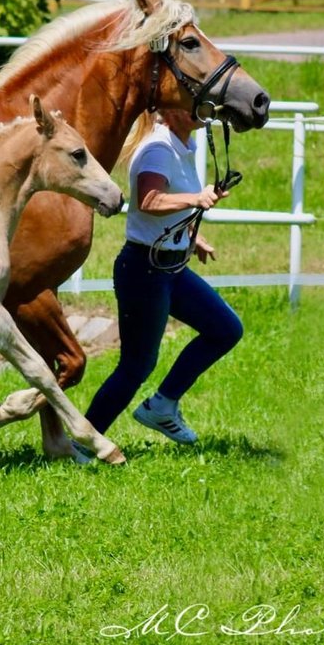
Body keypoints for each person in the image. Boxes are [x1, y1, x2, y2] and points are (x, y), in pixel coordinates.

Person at [82, 108, 244, 445]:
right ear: (169, 111)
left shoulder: (183, 145)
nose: (202, 107)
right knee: (136, 366)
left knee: (225, 329)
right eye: (190, 101)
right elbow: (149, 200)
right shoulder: (159, 149)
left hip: (170, 268)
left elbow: (163, 205)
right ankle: (84, 441)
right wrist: (197, 197)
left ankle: (163, 405)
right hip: (145, 271)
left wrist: (190, 237)